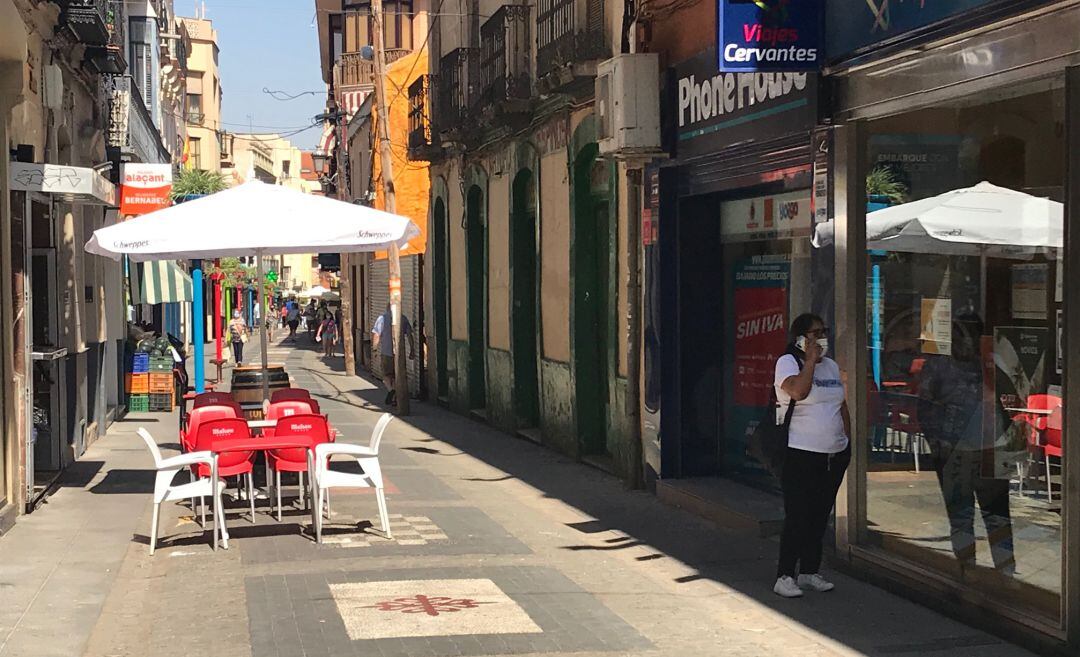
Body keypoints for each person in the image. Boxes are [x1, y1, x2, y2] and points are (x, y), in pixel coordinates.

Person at [917, 315, 1015, 573]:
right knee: (961, 516)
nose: (967, 341)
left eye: (974, 335)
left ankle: (1005, 571)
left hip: (991, 449)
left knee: (998, 516)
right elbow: (925, 409)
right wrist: (937, 446)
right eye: (961, 334)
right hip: (954, 451)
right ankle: (967, 569)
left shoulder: (991, 364)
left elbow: (1008, 401)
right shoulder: (938, 366)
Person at [773, 313, 851, 598]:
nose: (821, 338)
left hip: (832, 453)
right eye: (814, 333)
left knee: (819, 515)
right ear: (801, 337)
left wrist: (847, 440)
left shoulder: (830, 366)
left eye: (824, 331)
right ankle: (784, 574)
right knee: (798, 514)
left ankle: (809, 571)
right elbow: (798, 392)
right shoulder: (787, 363)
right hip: (800, 451)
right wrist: (808, 361)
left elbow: (840, 403)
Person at [372, 303, 415, 405]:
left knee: (386, 375)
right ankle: (396, 398)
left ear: (387, 308)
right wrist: (412, 349)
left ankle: (391, 390)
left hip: (386, 352)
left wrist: (374, 349)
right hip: (399, 354)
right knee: (397, 376)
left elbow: (376, 335)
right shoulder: (403, 318)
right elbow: (409, 335)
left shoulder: (382, 318)